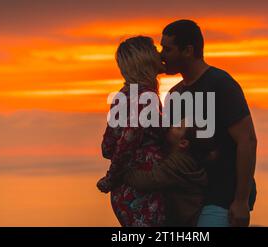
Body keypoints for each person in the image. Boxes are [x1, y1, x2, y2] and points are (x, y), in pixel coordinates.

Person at [160, 19, 258, 227]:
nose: (161, 56)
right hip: (190, 198)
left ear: (188, 50)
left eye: (167, 49)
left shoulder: (220, 84)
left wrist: (240, 201)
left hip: (222, 198)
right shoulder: (174, 94)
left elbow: (247, 140)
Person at [97, 36, 166, 226]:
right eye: (154, 49)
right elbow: (129, 138)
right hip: (142, 190)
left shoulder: (123, 95)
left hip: (125, 192)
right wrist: (111, 178)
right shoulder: (146, 97)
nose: (159, 54)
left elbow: (107, 147)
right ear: (144, 58)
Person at [123, 120, 211, 226]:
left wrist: (125, 173)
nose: (172, 126)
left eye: (177, 127)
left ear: (183, 143)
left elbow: (151, 179)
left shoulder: (178, 164)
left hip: (186, 220)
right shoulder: (188, 160)